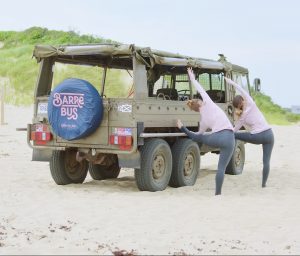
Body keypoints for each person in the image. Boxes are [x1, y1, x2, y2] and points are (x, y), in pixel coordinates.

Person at [177, 68, 235, 195]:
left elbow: (198, 135)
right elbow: (200, 88)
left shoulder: (203, 121)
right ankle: (218, 193)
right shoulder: (208, 102)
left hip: (216, 138)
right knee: (221, 168)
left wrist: (183, 128)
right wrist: (192, 77)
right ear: (201, 102)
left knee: (199, 137)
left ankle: (182, 127)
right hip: (230, 138)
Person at [224, 77, 274, 188]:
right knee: (266, 161)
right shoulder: (251, 103)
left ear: (237, 106)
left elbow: (234, 129)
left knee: (235, 135)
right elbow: (241, 89)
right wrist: (231, 82)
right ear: (242, 100)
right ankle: (264, 184)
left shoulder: (242, 116)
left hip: (258, 136)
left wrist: (227, 131)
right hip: (270, 135)